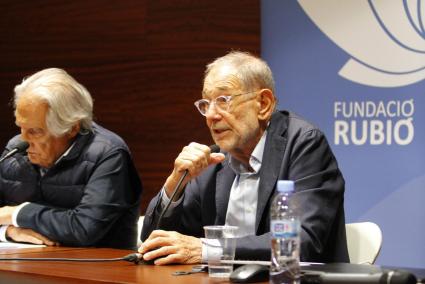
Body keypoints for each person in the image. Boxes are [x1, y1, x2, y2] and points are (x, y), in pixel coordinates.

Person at [139, 51, 348, 264]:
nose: (211, 115)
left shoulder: (303, 144)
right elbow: (152, 245)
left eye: (223, 100)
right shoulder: (213, 162)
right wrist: (175, 184)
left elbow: (302, 242)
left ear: (264, 104)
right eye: (206, 104)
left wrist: (208, 249)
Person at [0, 68, 142, 249]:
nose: (24, 140)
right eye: (21, 127)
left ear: (71, 128)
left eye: (35, 131)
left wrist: (16, 214)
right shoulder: (16, 149)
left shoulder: (108, 154)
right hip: (25, 266)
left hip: (95, 272)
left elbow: (84, 229)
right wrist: (8, 231)